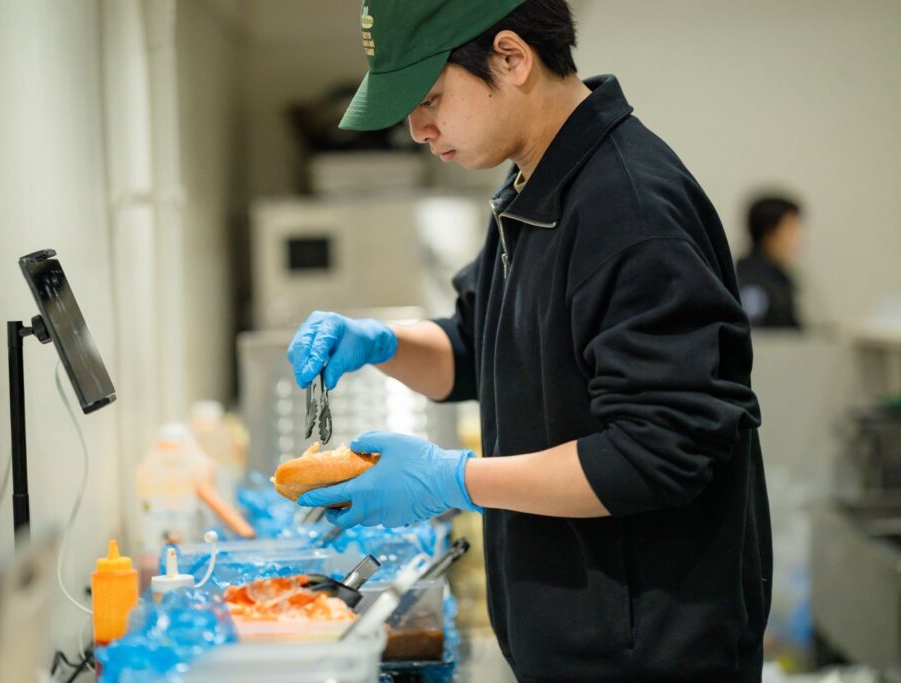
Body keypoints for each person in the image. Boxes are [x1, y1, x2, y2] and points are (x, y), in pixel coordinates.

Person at [286, 1, 771, 680]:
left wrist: (452, 478)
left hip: (649, 657)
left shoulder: (628, 207)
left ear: (512, 58)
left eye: (429, 99)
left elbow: (659, 450)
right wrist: (378, 343)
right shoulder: (534, 187)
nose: (419, 129)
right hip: (573, 646)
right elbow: (476, 348)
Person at [736, 195, 804, 329]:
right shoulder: (751, 284)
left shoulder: (779, 279)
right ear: (769, 233)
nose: (797, 238)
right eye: (790, 229)